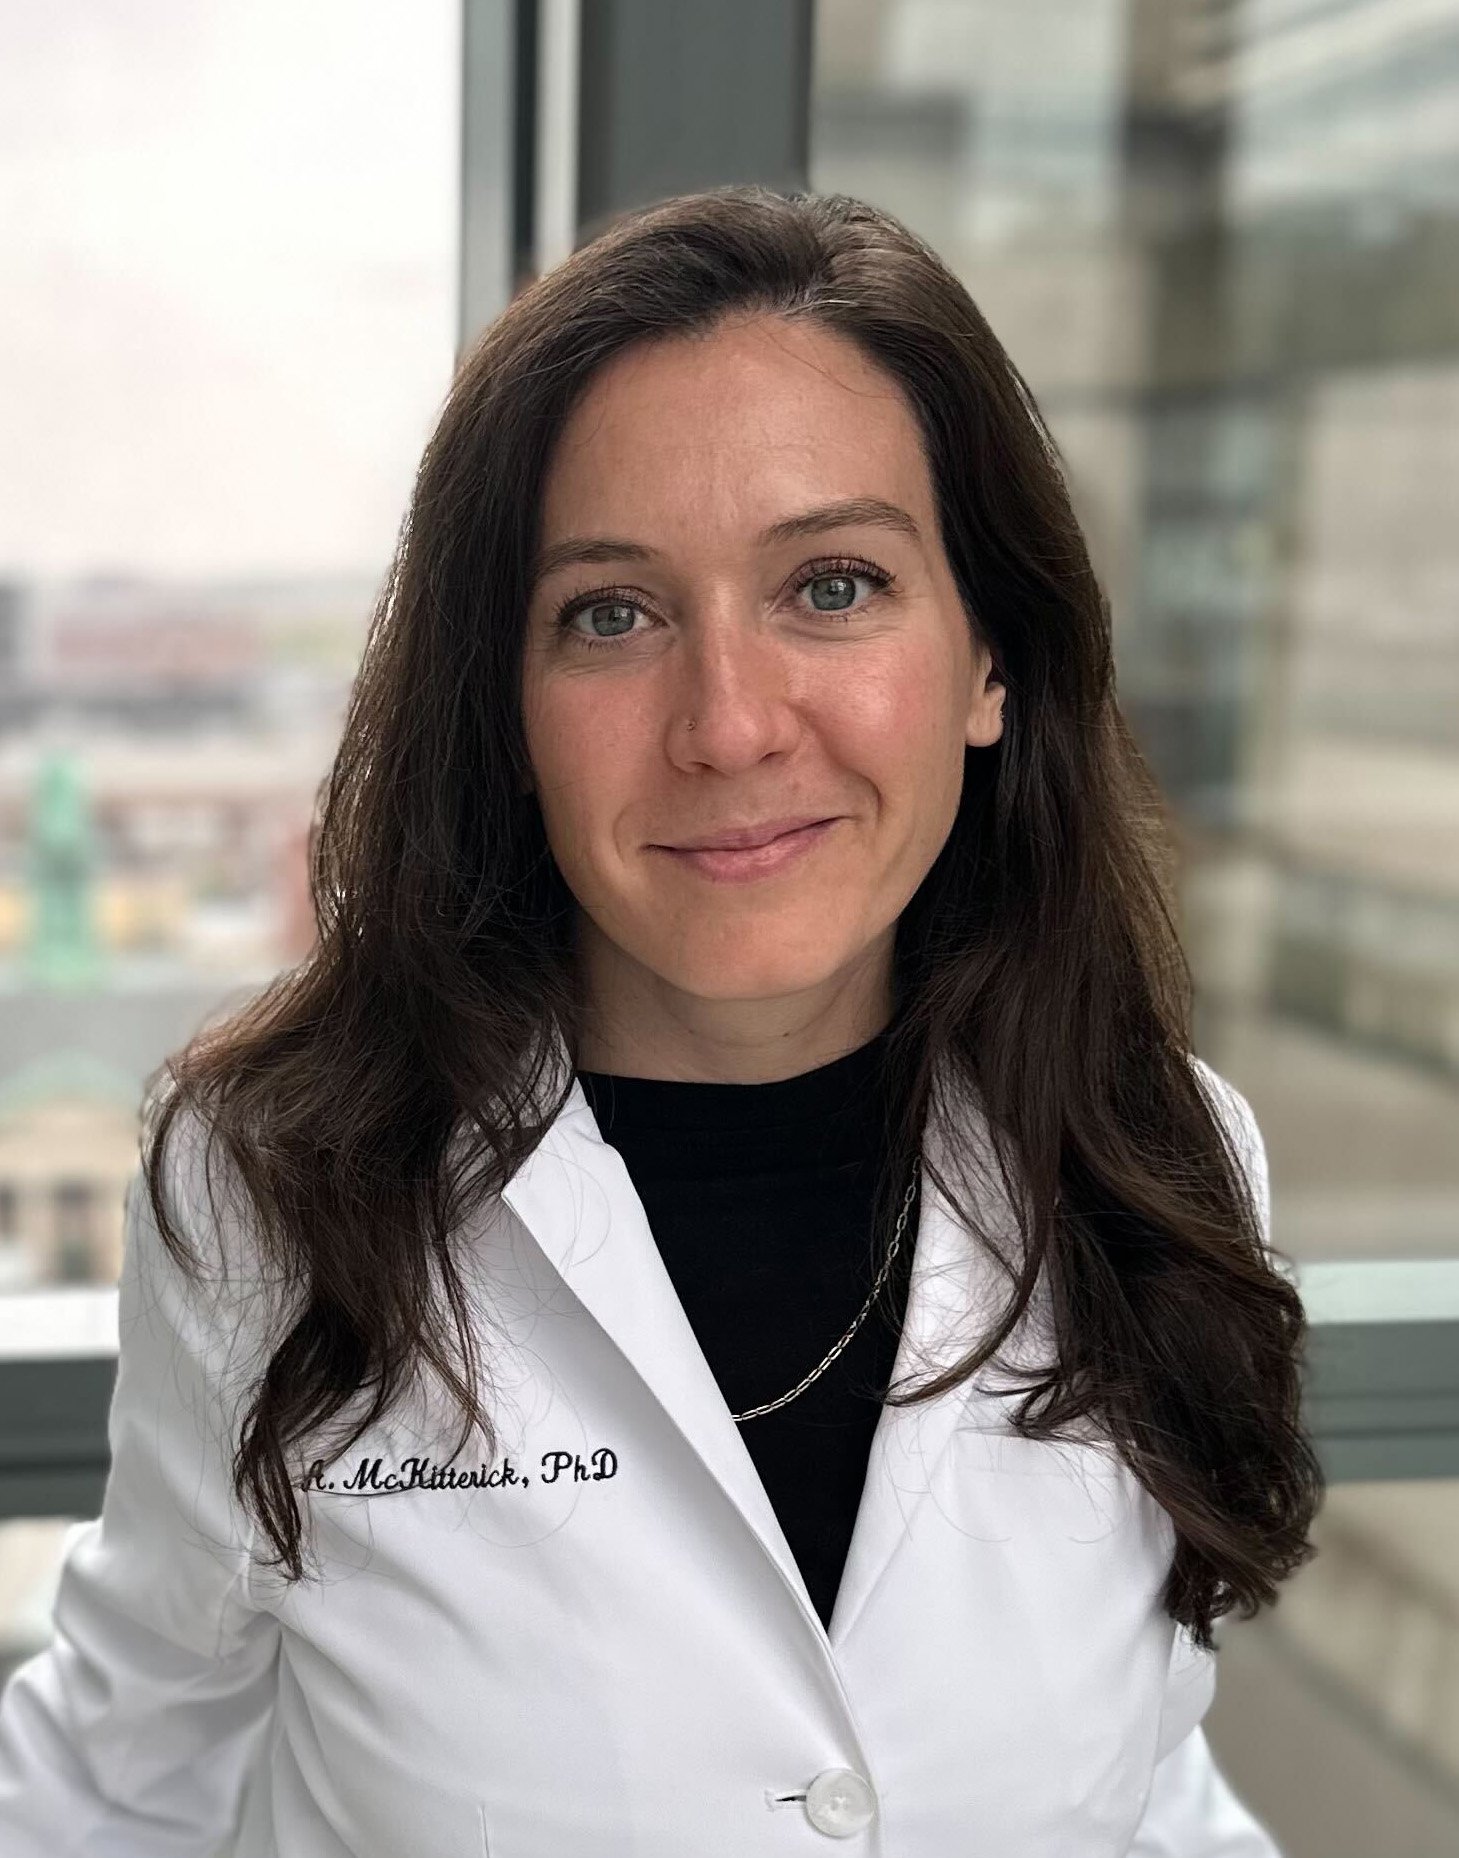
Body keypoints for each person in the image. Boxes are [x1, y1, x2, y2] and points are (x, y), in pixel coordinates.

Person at [0, 184, 1322, 1856]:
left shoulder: (1163, 1159)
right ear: (507, 705)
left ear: (991, 658)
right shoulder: (276, 1192)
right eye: (611, 614)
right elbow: (115, 1786)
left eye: (831, 584)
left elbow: (1143, 1780)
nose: (729, 723)